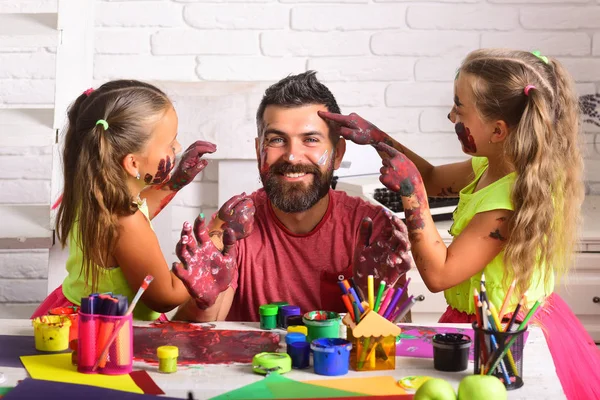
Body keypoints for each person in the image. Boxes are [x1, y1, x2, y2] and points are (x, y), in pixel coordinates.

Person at [320, 49, 600, 399]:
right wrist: (379, 139)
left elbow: (439, 275)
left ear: (497, 130)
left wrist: (410, 194)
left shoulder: (511, 200)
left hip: (501, 337)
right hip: (476, 321)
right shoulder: (493, 164)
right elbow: (434, 179)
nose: (450, 114)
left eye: (459, 107)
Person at [173, 71, 413, 322]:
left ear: (338, 154)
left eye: (310, 139)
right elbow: (198, 334)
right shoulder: (235, 225)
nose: (291, 156)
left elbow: (395, 345)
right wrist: (204, 302)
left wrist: (373, 298)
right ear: (259, 151)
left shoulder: (371, 228)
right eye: (277, 140)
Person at [32, 80, 218, 320]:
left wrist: (175, 182)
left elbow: (140, 210)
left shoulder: (97, 194)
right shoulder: (126, 223)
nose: (178, 147)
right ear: (132, 164)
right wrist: (214, 241)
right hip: (109, 332)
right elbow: (165, 297)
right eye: (170, 144)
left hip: (74, 310)